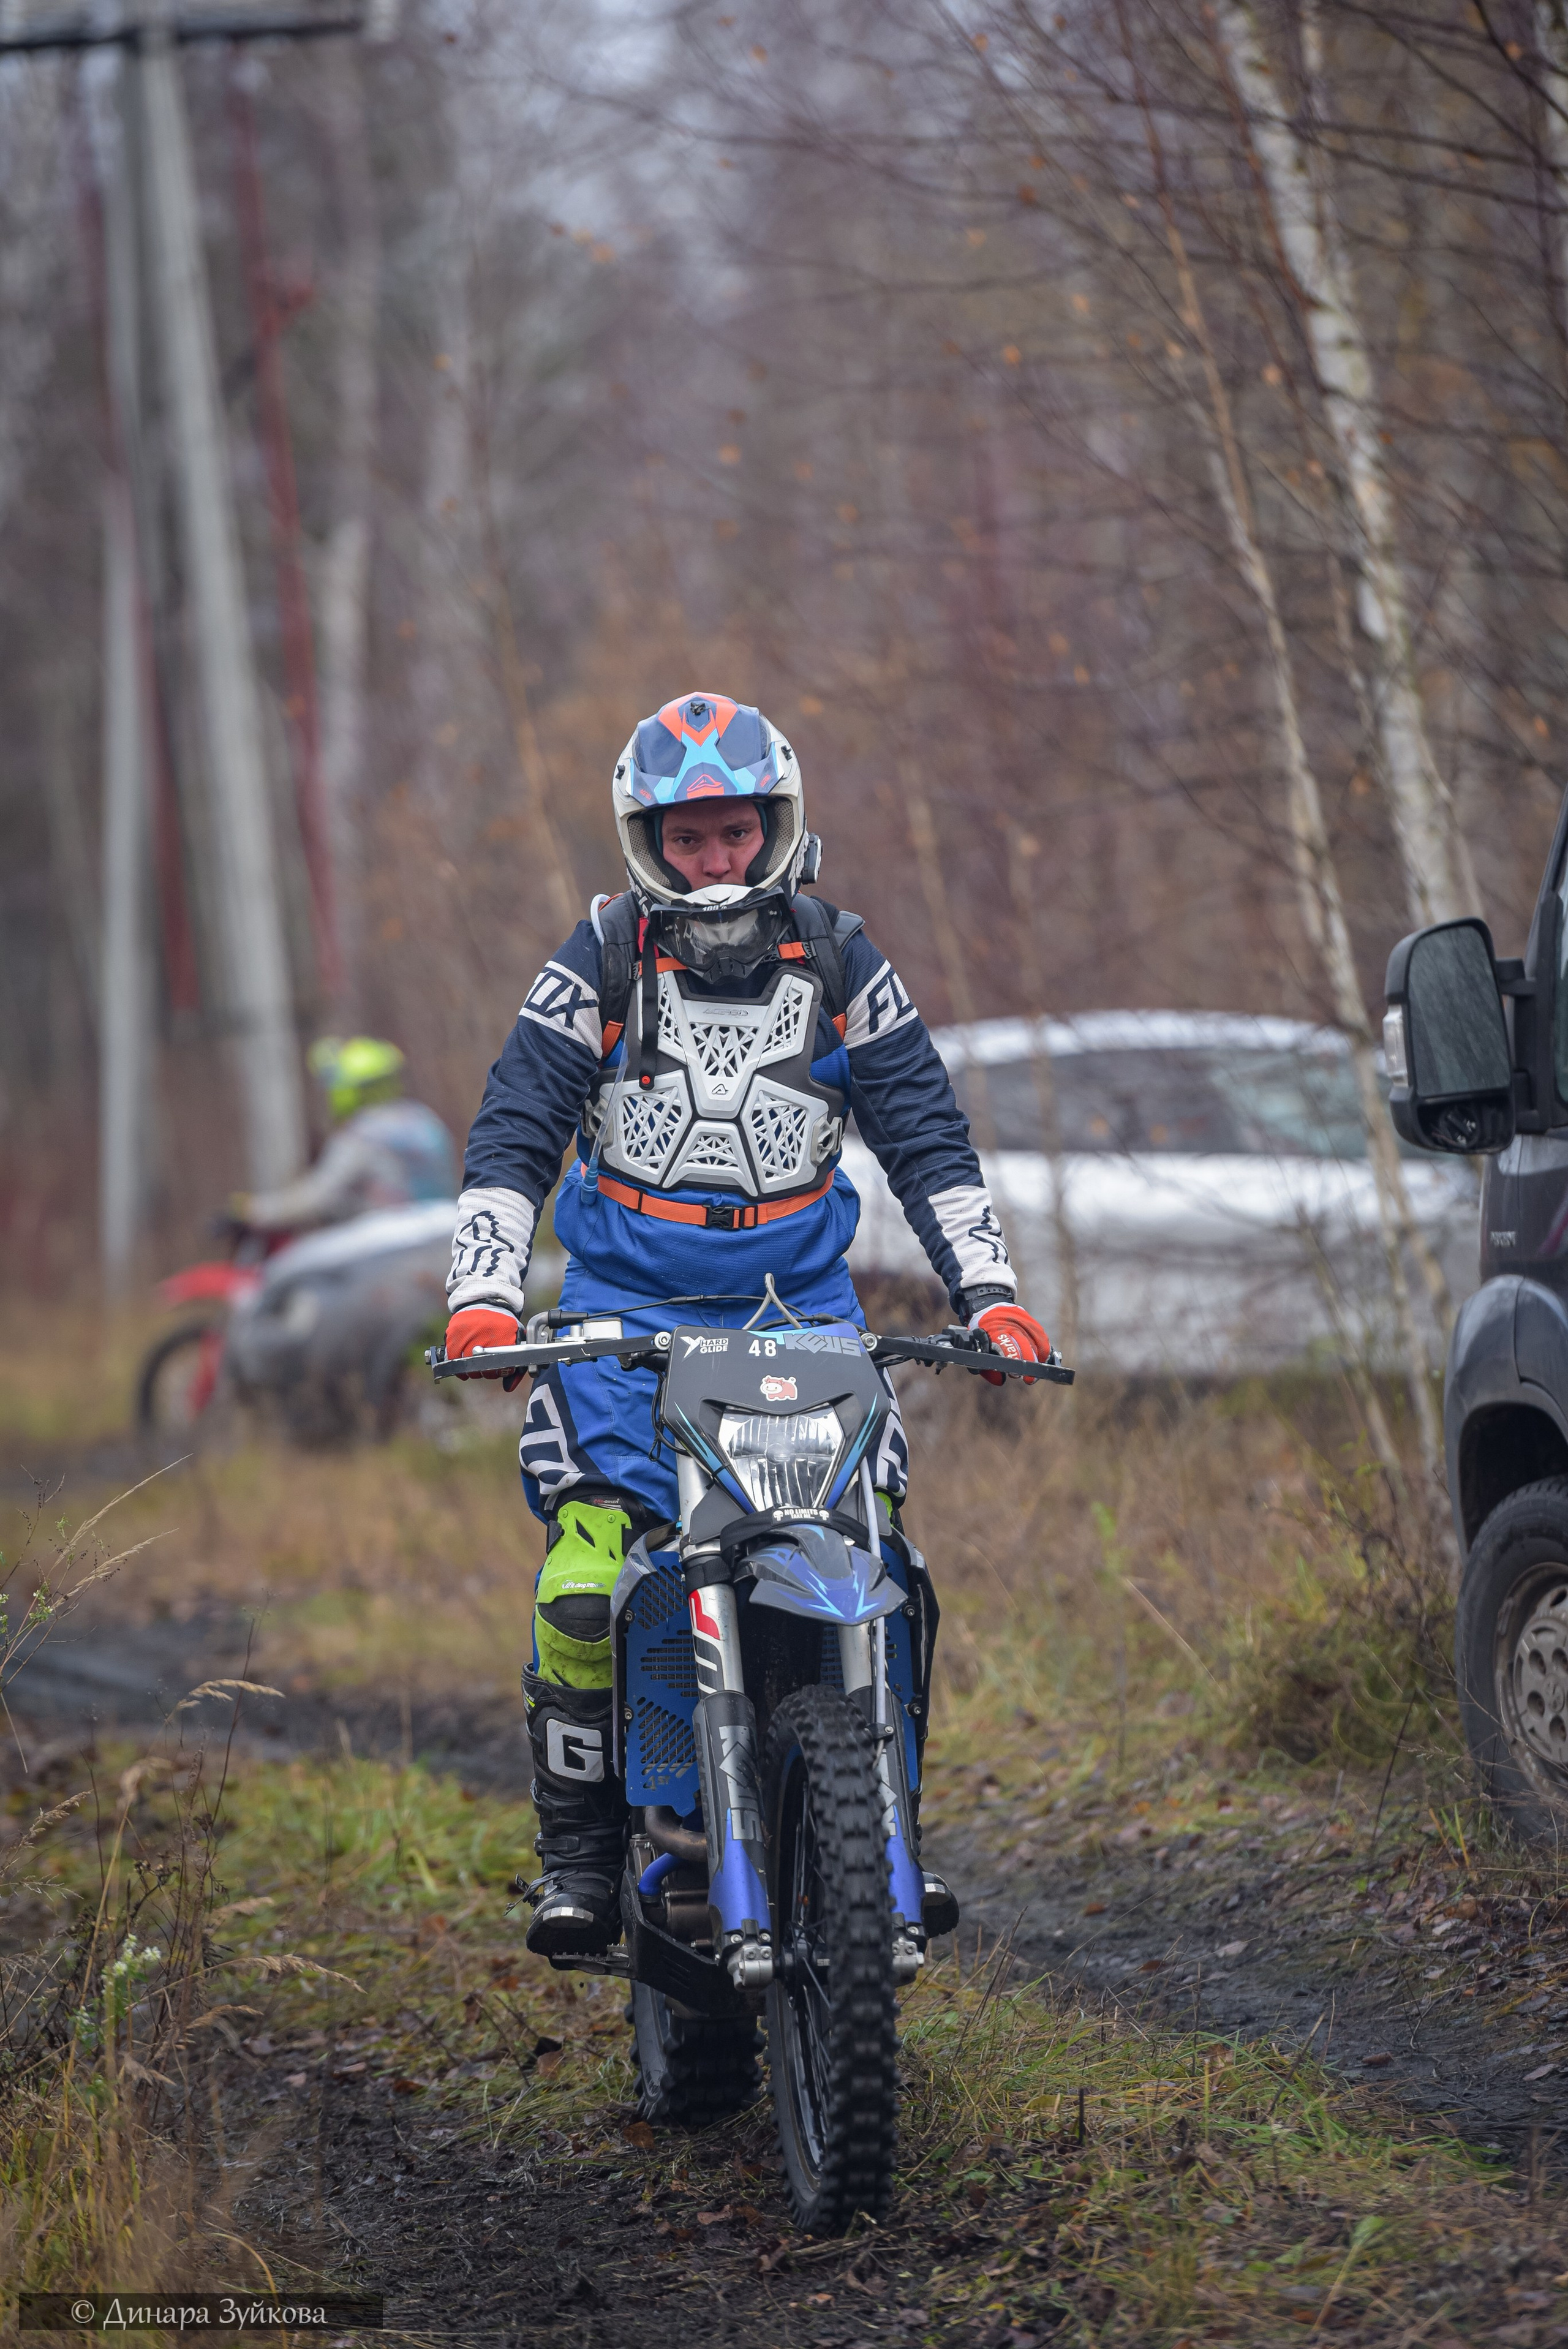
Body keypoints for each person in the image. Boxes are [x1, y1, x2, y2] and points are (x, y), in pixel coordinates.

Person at [443, 693, 1050, 1955]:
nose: (713, 861)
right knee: (591, 1569)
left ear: (773, 824)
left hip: (799, 1317)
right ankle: (581, 1856)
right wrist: (484, 1290)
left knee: (877, 1567)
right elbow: (514, 1129)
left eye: (732, 833)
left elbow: (926, 1135)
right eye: (686, 839)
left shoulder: (839, 957)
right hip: (625, 1321)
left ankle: (882, 1830)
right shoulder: (599, 958)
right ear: (645, 841)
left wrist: (988, 1294)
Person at [236, 1036, 456, 1233]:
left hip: (388, 1245)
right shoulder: (423, 1119)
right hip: (445, 1233)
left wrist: (253, 1212)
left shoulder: (361, 1136)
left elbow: (317, 1196)